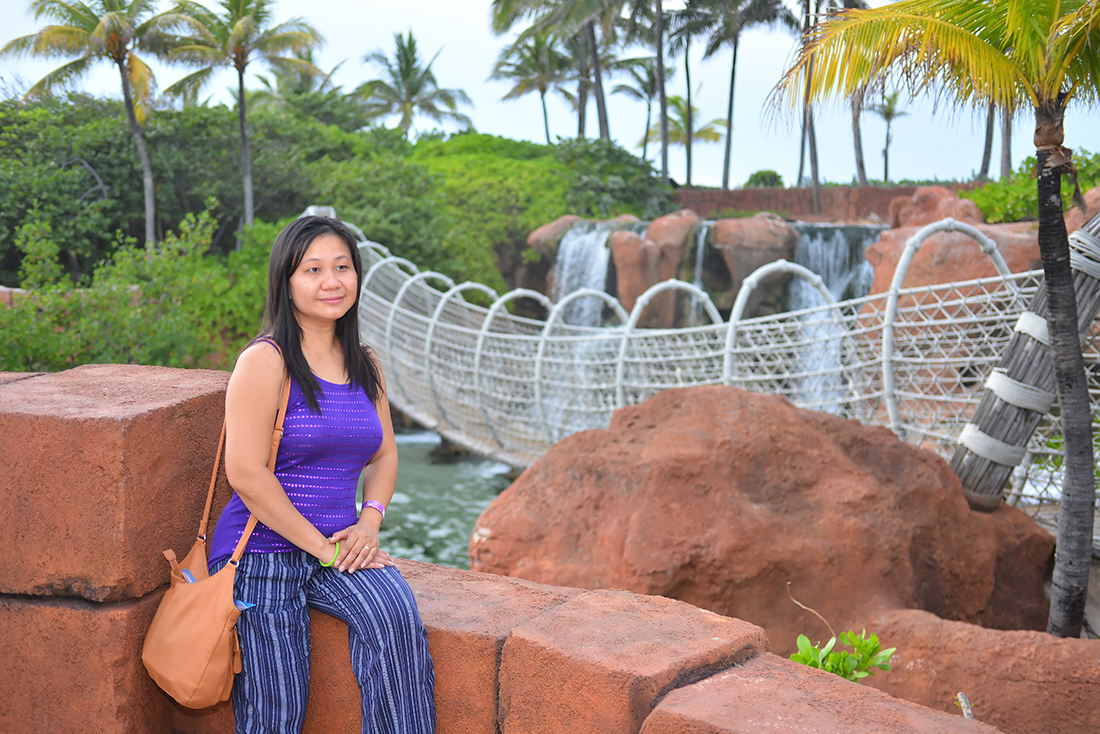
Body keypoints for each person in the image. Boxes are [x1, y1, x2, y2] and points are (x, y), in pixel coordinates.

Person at [207, 215, 436, 734]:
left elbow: (384, 456)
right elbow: (244, 472)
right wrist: (322, 548)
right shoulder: (265, 361)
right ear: (286, 282)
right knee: (279, 706)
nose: (331, 282)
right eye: (312, 269)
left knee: (396, 620)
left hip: (338, 545)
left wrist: (369, 523)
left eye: (342, 267)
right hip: (262, 551)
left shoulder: (364, 363)